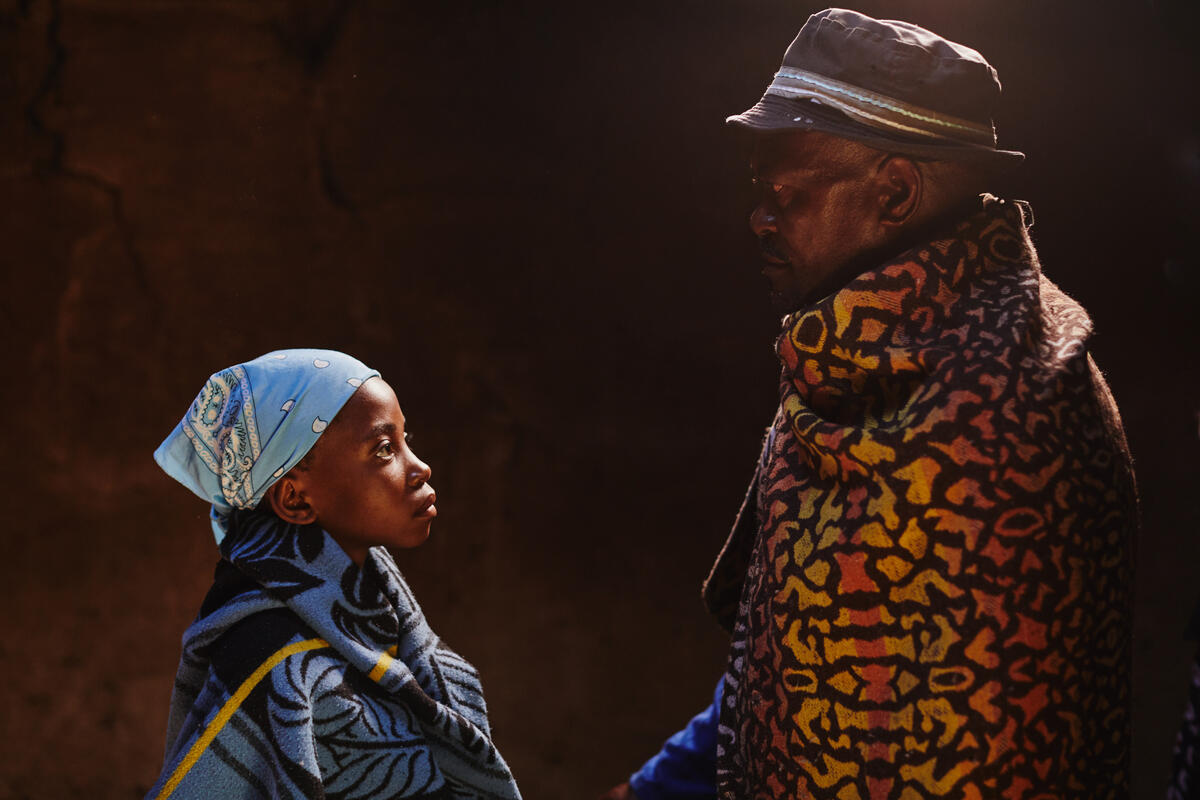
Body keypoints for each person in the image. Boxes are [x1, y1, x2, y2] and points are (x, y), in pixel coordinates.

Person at [603, 9, 1136, 800]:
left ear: (893, 192)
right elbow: (801, 660)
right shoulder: (852, 361)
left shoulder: (1005, 424)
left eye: (782, 191)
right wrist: (658, 787)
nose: (759, 218)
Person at [146, 348, 521, 800]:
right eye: (385, 449)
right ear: (296, 499)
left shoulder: (384, 622)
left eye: (406, 440)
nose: (419, 467)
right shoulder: (267, 656)